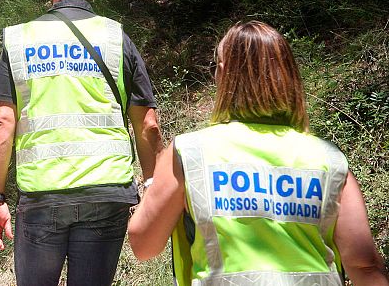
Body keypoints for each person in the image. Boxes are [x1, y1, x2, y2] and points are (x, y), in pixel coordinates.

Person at [127, 21, 389, 286]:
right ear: (289, 76)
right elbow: (364, 265)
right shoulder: (328, 159)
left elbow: (144, 245)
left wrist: (153, 181)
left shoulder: (192, 153)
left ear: (223, 73)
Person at [0, 0, 164, 286]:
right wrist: (152, 185)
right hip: (105, 192)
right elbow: (148, 123)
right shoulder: (116, 37)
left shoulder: (20, 41)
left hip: (42, 195)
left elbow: (2, 122)